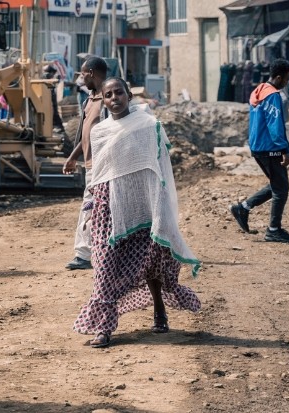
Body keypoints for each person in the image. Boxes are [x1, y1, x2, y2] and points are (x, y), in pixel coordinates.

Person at [70, 77, 202, 347]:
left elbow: (159, 167)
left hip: (143, 204)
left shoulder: (147, 126)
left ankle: (159, 309)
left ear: (129, 95)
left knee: (151, 261)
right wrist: (91, 203)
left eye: (119, 93)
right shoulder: (99, 131)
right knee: (104, 267)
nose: (114, 98)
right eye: (108, 95)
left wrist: (161, 205)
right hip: (109, 207)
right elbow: (99, 172)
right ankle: (104, 327)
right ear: (103, 100)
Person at [230, 59, 289, 243]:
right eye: (286, 79)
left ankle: (243, 208)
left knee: (277, 184)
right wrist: (285, 149)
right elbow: (275, 125)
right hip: (270, 147)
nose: (287, 83)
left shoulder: (258, 90)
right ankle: (273, 230)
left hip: (258, 146)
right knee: (281, 189)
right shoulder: (273, 95)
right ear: (278, 77)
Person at [62, 56, 110, 270]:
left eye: (82, 74)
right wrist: (73, 157)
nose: (81, 79)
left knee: (90, 208)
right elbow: (85, 135)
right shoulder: (90, 100)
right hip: (92, 165)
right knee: (94, 208)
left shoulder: (109, 99)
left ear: (91, 73)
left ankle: (84, 254)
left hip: (105, 165)